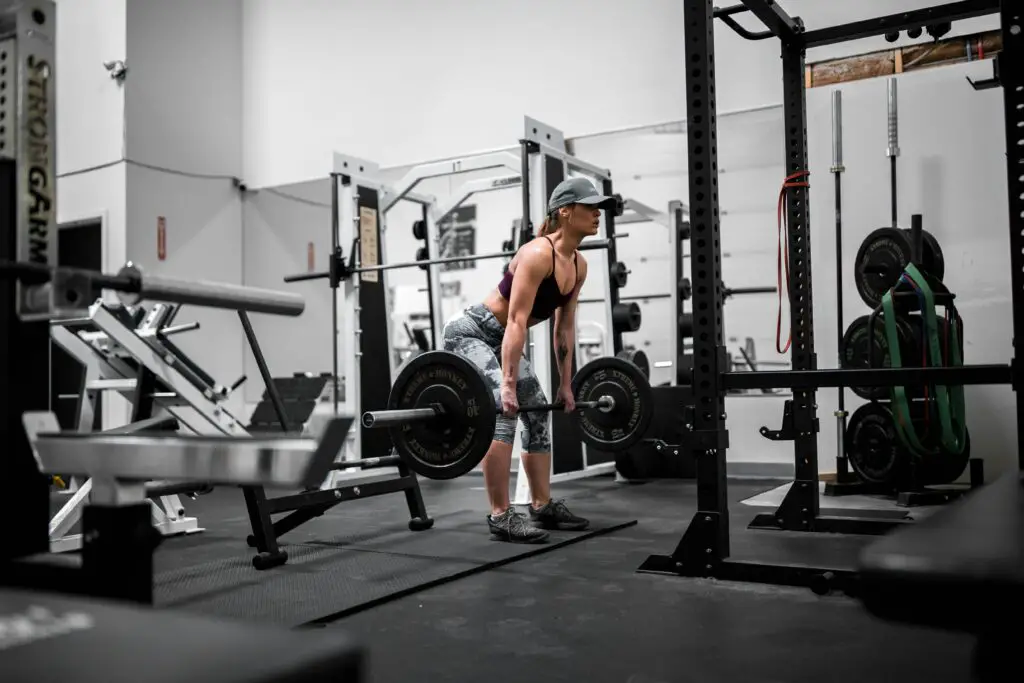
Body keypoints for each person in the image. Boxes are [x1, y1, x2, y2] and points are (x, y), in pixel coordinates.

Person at [441, 177, 617, 543]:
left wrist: (566, 384)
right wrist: (506, 385)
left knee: (536, 409)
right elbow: (517, 321)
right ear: (565, 212)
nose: (598, 214)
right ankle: (501, 515)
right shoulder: (539, 254)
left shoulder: (578, 265)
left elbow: (564, 329)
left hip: (503, 338)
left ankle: (541, 505)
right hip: (472, 332)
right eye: (590, 206)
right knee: (504, 414)